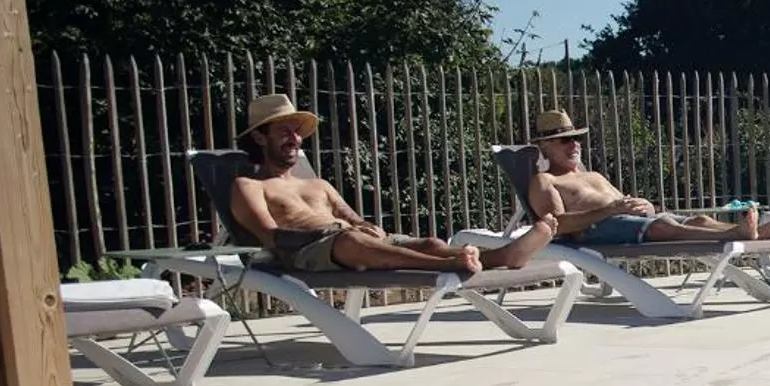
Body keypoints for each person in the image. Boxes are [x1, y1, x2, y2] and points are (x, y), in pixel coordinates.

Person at [229, 93, 554, 276]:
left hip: (350, 239)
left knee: (428, 241)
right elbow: (270, 236)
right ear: (259, 137)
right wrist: (334, 232)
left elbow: (354, 219)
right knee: (351, 241)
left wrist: (363, 227)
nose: (294, 138)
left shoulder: (319, 185)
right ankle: (449, 264)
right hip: (308, 252)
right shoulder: (249, 186)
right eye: (283, 131)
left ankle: (503, 255)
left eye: (296, 131)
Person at [525, 109, 770, 244]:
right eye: (565, 140)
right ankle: (736, 234)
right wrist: (611, 209)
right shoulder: (545, 181)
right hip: (596, 230)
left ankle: (761, 232)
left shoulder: (593, 175)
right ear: (545, 147)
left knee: (698, 219)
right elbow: (557, 225)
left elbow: (623, 203)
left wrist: (646, 205)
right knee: (661, 227)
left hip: (630, 220)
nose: (574, 145)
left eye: (576, 139)